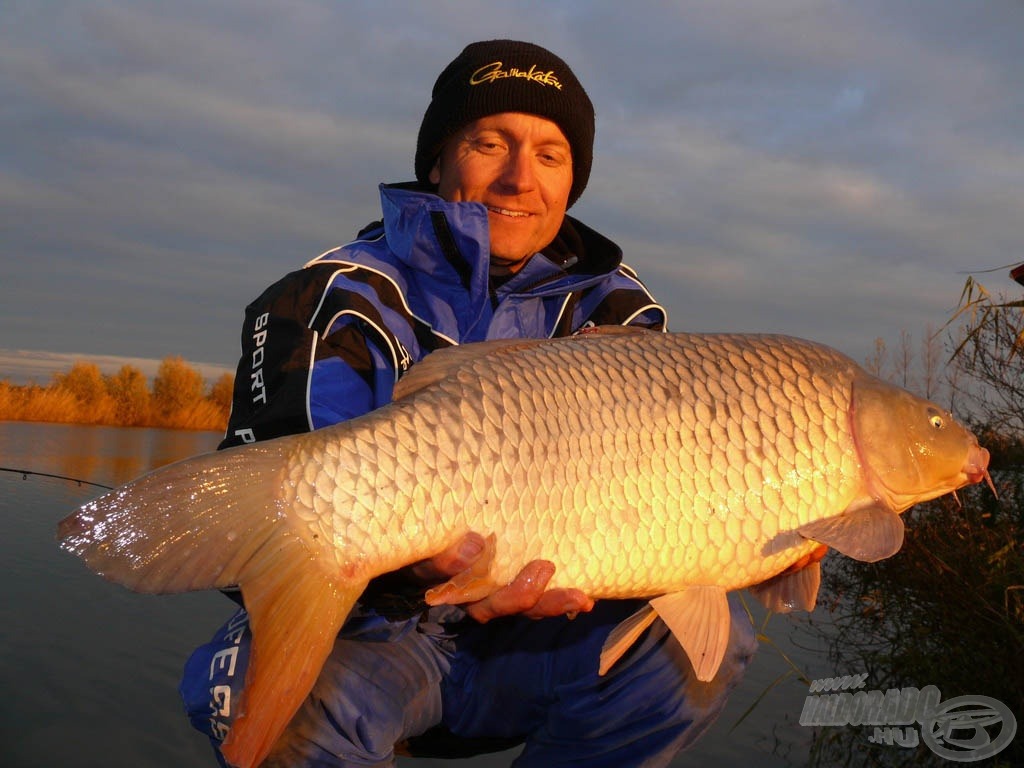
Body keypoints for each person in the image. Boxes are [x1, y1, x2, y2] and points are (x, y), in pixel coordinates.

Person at [180, 39, 756, 767]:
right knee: (248, 699)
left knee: (698, 643)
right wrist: (419, 574)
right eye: (490, 143)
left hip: (540, 642)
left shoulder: (620, 309)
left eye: (551, 155)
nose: (520, 178)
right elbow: (254, 556)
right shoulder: (335, 299)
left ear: (572, 180)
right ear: (437, 161)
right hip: (378, 644)